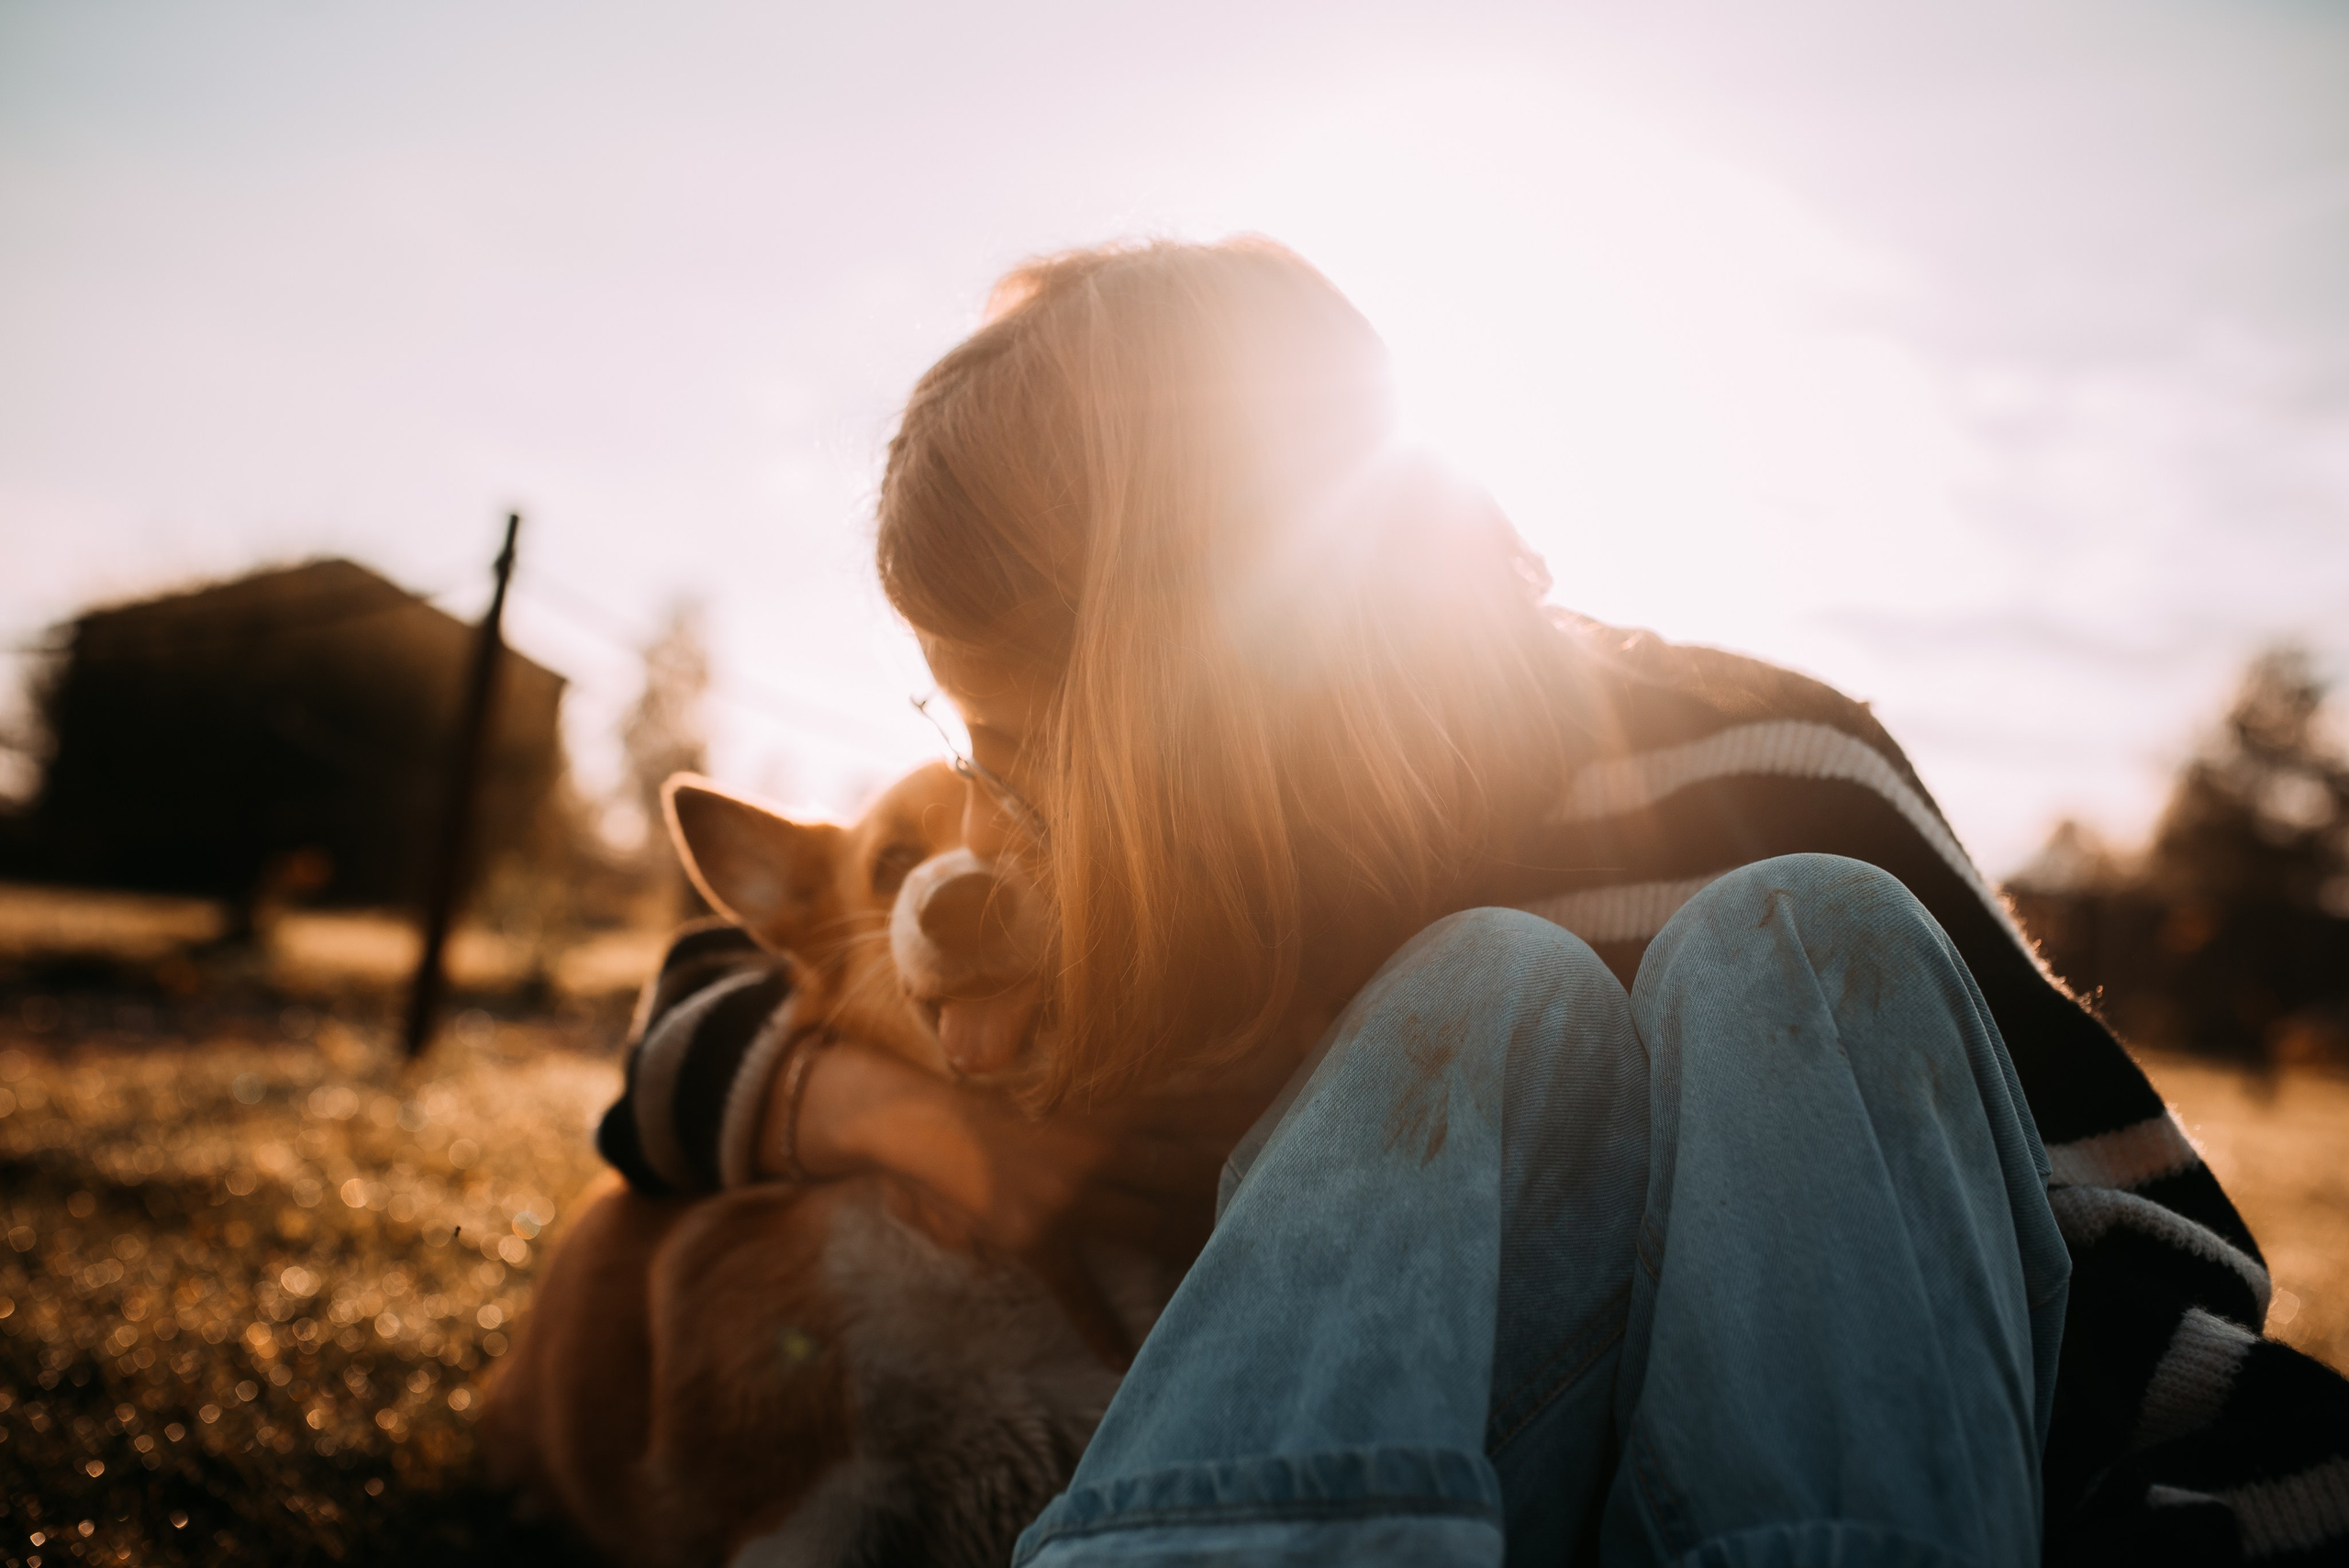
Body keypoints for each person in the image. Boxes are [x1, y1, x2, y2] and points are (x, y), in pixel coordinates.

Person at [601, 239, 2349, 1564]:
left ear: (1205, 700)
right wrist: (907, 1119)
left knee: (1797, 940)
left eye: (1017, 743)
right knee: (1489, 992)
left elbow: (2094, 1258)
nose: (994, 813)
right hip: (1442, 1490)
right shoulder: (1157, 908)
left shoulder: (1769, 760)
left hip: (1828, 1461)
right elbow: (735, 988)